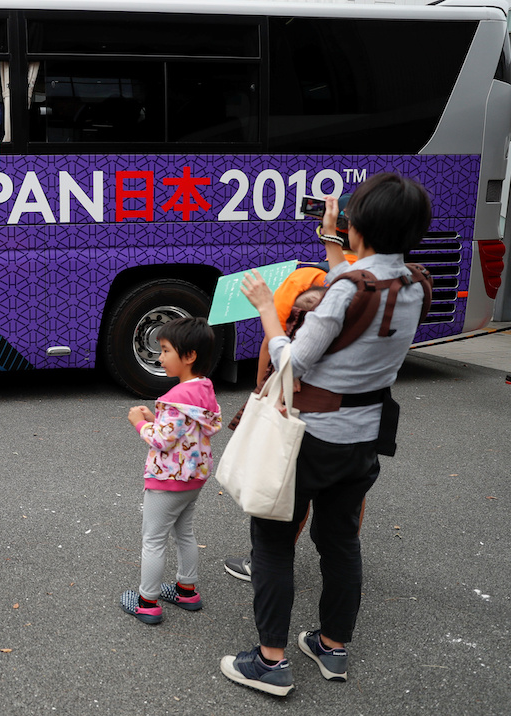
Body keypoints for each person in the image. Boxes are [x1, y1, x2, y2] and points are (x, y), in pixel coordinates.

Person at [220, 173, 432, 696]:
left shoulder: (344, 288)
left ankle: (269, 662)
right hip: (364, 436)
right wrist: (335, 244)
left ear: (362, 224)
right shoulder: (413, 285)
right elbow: (361, 292)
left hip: (310, 436)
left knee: (271, 541)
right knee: (339, 540)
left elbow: (295, 361)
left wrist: (269, 309)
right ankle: (333, 647)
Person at [119, 317, 222, 624]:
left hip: (167, 481)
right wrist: (155, 416)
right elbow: (187, 429)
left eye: (165, 351)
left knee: (153, 539)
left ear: (189, 356)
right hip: (194, 478)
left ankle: (147, 601)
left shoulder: (175, 398)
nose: (160, 357)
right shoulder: (203, 390)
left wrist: (139, 423)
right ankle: (186, 590)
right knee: (185, 533)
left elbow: (163, 440)